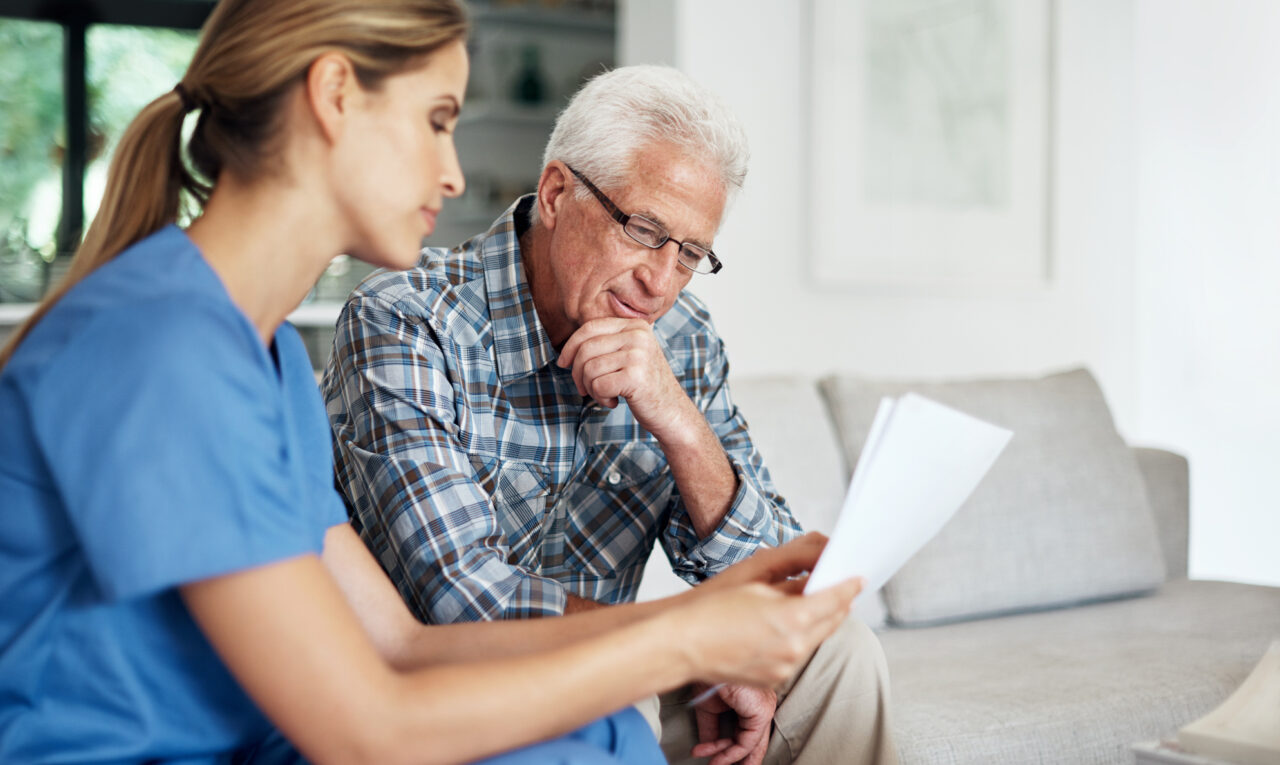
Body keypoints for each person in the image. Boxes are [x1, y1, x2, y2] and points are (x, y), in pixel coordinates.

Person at [0, 2, 866, 763]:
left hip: (251, 733)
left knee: (601, 730)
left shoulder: (267, 360)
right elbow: (366, 725)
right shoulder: (159, 346)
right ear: (335, 95)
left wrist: (701, 621)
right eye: (437, 120)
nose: (454, 174)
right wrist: (688, 639)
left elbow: (400, 644)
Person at [322, 65, 897, 765]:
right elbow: (460, 598)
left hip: (626, 661)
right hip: (449, 691)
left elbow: (775, 581)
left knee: (839, 653)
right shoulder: (405, 321)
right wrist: (678, 643)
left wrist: (679, 422)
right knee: (619, 695)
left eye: (690, 254)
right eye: (645, 229)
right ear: (556, 193)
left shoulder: (682, 337)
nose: (660, 283)